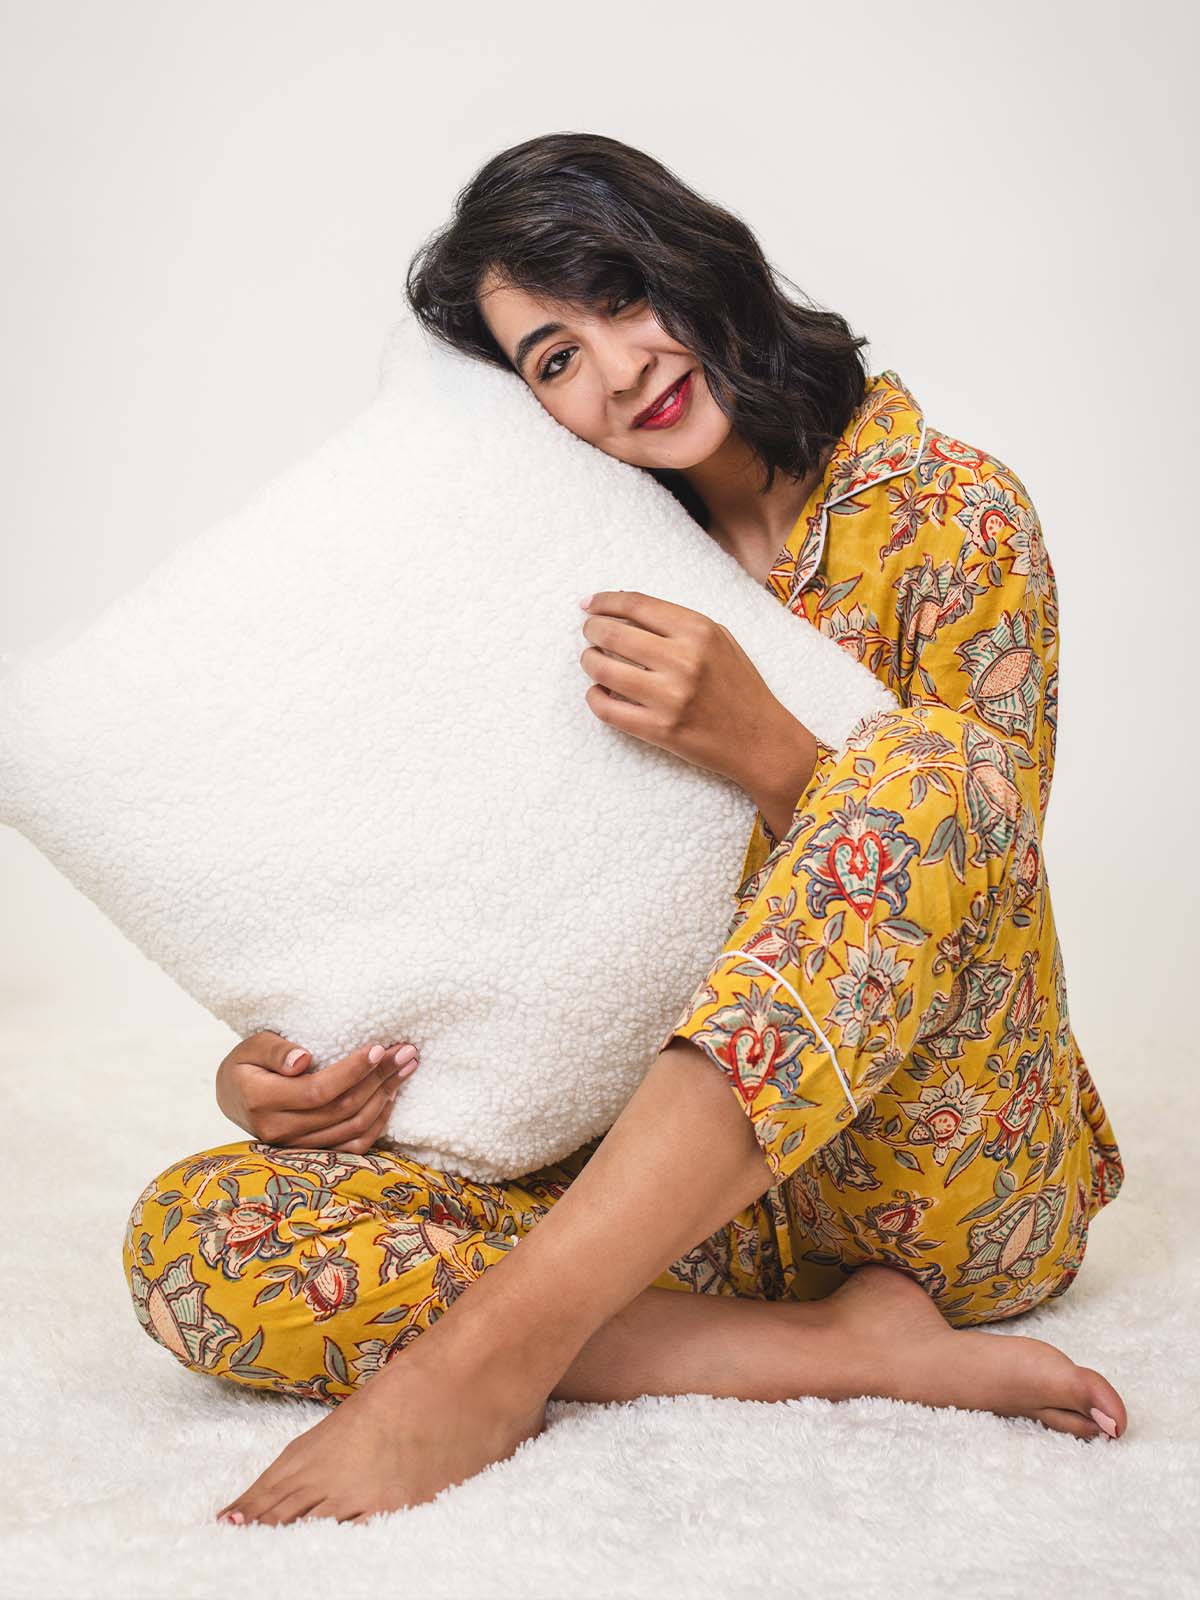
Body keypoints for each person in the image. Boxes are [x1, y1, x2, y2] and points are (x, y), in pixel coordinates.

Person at [121, 132, 1127, 1529]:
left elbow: (978, 873)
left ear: (691, 256)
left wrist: (768, 750)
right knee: (197, 1237)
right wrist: (289, 1062)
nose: (615, 367)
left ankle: (480, 1364)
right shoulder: (549, 577)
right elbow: (464, 882)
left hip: (934, 1191)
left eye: (618, 294)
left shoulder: (957, 514)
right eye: (550, 359)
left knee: (936, 768)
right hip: (668, 1223)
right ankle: (831, 1357)